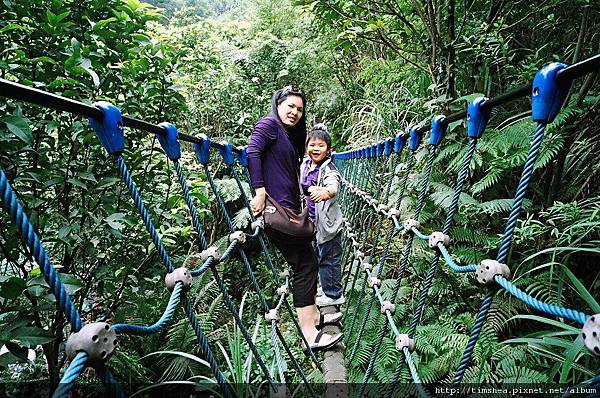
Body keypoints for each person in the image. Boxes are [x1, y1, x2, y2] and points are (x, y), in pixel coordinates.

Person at [247, 86, 343, 352]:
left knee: (307, 262)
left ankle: (312, 317)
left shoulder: (286, 136)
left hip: (287, 211)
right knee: (305, 265)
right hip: (276, 212)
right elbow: (252, 152)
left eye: (299, 109)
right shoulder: (269, 125)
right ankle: (309, 333)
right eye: (290, 106)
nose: (295, 112)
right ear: (278, 104)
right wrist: (259, 191)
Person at [300, 125, 345, 307]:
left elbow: (334, 184)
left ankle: (334, 294)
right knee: (318, 256)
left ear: (329, 150)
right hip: (312, 222)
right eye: (312, 145)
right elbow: (301, 184)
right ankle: (327, 287)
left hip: (328, 225)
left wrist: (327, 192)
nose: (316, 149)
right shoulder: (305, 165)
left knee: (329, 259)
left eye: (321, 145)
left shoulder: (329, 169)